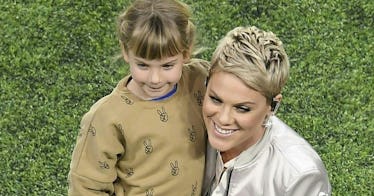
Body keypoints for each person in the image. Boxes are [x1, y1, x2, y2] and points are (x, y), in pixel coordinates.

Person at [68, 0, 209, 195]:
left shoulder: (200, 79)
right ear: (126, 51)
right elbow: (87, 186)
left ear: (186, 52)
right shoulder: (106, 117)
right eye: (143, 65)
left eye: (167, 66)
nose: (155, 79)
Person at [201, 26, 331, 196]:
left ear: (273, 106)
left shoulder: (299, 175)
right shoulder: (191, 126)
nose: (223, 118)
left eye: (242, 108)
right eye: (215, 99)